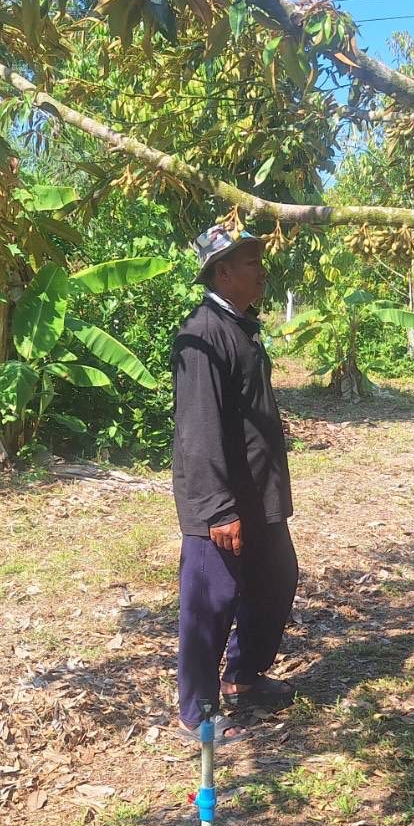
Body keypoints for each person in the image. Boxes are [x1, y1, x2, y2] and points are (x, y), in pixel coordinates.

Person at [169, 225, 299, 745]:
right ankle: (197, 711)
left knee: (276, 579)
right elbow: (198, 428)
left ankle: (244, 676)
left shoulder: (241, 326)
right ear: (222, 273)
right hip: (221, 500)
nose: (261, 271)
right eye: (250, 263)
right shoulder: (202, 335)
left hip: (258, 492)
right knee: (211, 602)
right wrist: (217, 508)